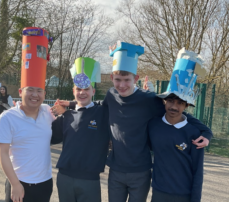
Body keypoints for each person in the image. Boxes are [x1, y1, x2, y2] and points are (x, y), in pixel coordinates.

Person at [58, 42, 212, 202]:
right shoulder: (111, 95)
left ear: (135, 78)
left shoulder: (149, 99)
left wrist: (207, 132)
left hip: (141, 172)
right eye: (117, 80)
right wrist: (71, 104)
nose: (122, 85)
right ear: (111, 78)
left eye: (126, 80)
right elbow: (96, 106)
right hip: (116, 170)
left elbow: (176, 111)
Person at [0, 27, 55, 202]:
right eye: (30, 90)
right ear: (21, 91)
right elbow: (3, 154)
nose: (35, 95)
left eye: (39, 91)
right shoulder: (7, 118)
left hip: (45, 184)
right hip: (19, 183)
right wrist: (14, 183)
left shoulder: (47, 111)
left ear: (44, 94)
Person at [148, 48, 206, 202]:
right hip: (159, 192)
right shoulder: (154, 125)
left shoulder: (194, 134)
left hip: (183, 195)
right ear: (164, 101)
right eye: (171, 101)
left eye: (180, 103)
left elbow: (197, 171)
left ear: (186, 106)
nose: (174, 106)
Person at [51, 57, 110, 202]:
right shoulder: (66, 115)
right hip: (64, 177)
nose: (82, 92)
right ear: (73, 90)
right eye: (78, 89)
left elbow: (119, 101)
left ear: (93, 90)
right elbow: (50, 137)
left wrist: (71, 103)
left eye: (86, 89)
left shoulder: (103, 112)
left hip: (90, 180)